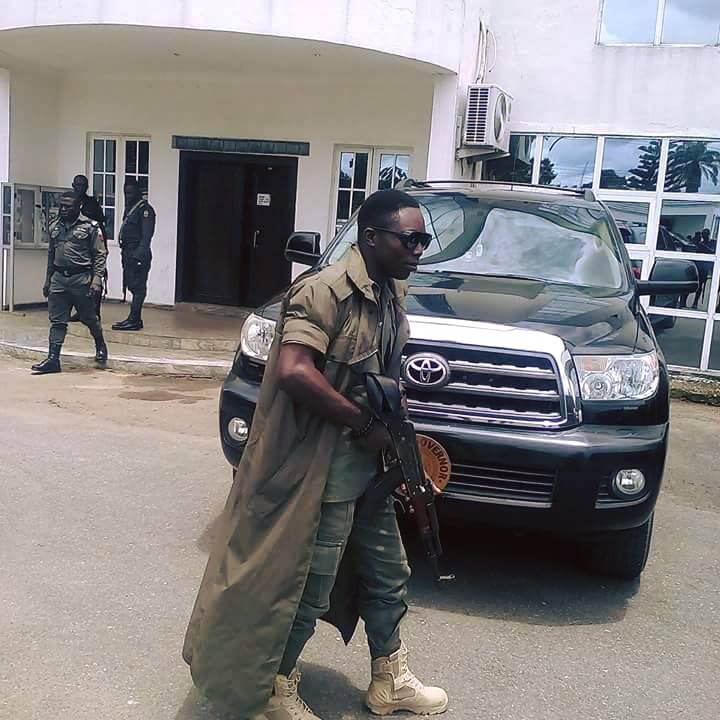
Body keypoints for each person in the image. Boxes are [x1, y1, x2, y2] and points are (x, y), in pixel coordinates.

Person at [182, 189, 448, 720]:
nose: (420, 250)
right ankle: (275, 687)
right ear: (371, 238)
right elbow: (294, 370)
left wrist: (394, 426)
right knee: (308, 585)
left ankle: (390, 678)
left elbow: (378, 374)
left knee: (388, 573)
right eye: (410, 239)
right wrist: (364, 423)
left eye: (424, 240)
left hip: (370, 469)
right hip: (321, 471)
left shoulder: (390, 293)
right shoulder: (323, 291)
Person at [31, 190, 108, 375]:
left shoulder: (90, 227)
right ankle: (53, 359)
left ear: (78, 206)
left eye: (68, 206)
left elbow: (100, 255)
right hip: (59, 279)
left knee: (89, 318)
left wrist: (97, 280)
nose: (63, 209)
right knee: (57, 320)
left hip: (81, 279)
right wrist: (48, 280)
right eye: (62, 206)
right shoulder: (55, 226)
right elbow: (51, 255)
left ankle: (100, 344)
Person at [112, 178, 155, 331]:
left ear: (138, 192)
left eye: (131, 193)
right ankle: (134, 318)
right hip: (128, 253)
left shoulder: (145, 210)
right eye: (126, 193)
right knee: (131, 285)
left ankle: (134, 319)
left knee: (138, 287)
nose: (128, 196)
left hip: (137, 254)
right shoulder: (130, 209)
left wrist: (138, 256)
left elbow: (146, 236)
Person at [68, 175, 108, 322]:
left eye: (83, 185)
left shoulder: (92, 203)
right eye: (78, 185)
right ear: (73, 185)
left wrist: (104, 247)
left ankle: (95, 312)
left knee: (95, 279)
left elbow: (101, 225)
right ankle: (81, 311)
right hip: (75, 248)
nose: (80, 188)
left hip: (91, 246)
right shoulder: (69, 203)